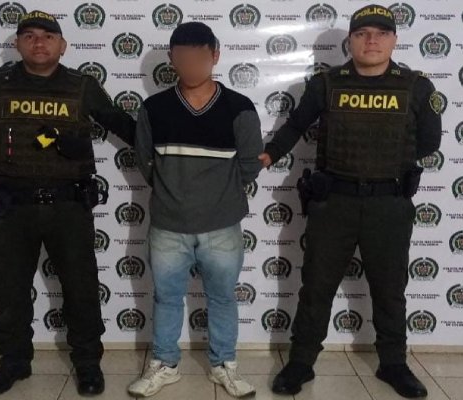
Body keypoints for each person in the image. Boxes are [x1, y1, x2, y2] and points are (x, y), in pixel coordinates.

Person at [259, 4, 442, 398]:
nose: (371, 40)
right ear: (350, 41)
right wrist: (268, 155)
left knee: (389, 290)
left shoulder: (416, 87)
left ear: (394, 40)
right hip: (334, 203)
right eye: (362, 34)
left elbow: (429, 142)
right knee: (316, 287)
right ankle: (301, 362)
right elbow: (295, 126)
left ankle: (393, 364)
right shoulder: (326, 84)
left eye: (380, 33)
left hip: (388, 205)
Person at [0, 10, 135, 397]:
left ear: (62, 45)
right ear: (18, 44)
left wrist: (173, 147)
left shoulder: (82, 86)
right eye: (30, 35)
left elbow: (123, 125)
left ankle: (87, 363)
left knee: (81, 288)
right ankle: (14, 362)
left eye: (48, 36)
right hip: (10, 205)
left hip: (69, 206)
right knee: (10, 289)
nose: (39, 42)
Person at [128, 21, 263, 398]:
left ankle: (224, 365)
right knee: (167, 298)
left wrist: (216, 197)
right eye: (182, 58)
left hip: (222, 226)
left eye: (198, 57)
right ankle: (165, 364)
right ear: (172, 59)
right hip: (168, 225)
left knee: (222, 298)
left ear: (215, 56)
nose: (190, 65)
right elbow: (145, 161)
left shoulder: (239, 107)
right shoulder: (154, 108)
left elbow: (249, 165)